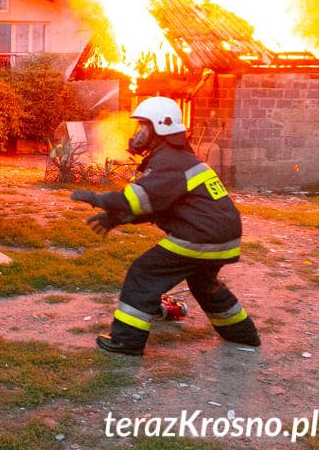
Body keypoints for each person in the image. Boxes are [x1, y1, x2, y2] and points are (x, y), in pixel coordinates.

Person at [71, 96, 260, 356]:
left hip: (199, 235)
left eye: (143, 127)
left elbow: (137, 198)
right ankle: (243, 334)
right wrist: (118, 218)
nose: (138, 133)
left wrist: (99, 199)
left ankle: (126, 341)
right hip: (223, 236)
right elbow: (157, 205)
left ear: (161, 128)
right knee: (204, 285)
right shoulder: (181, 159)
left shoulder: (170, 161)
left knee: (143, 274)